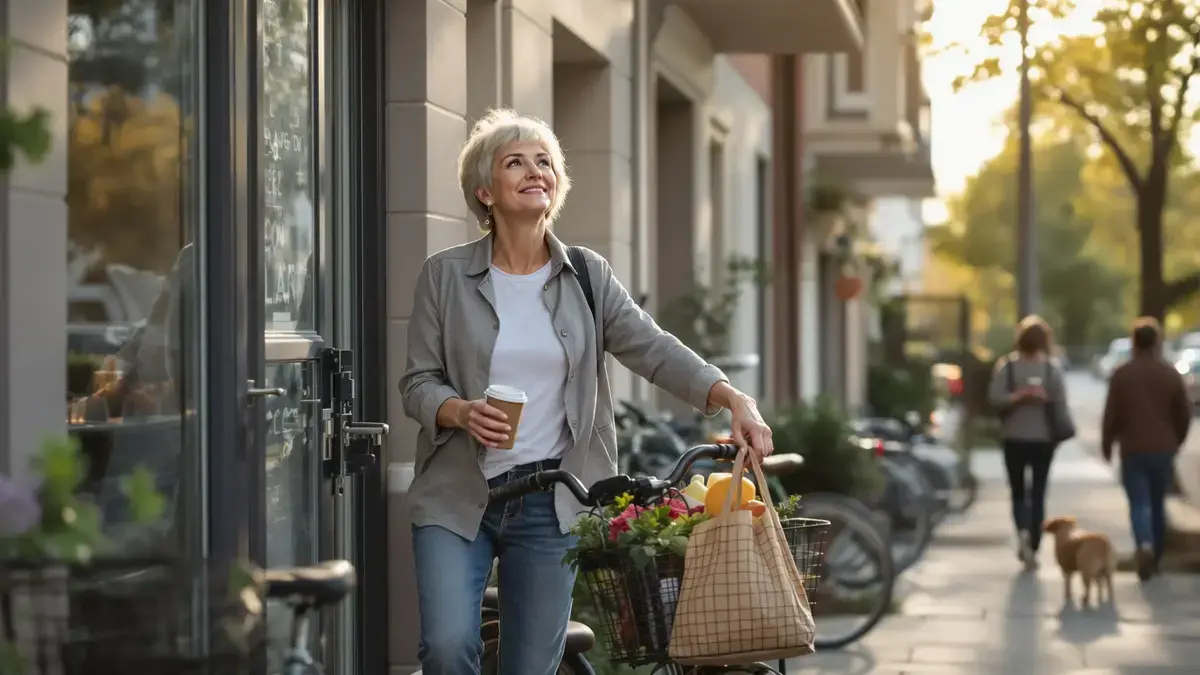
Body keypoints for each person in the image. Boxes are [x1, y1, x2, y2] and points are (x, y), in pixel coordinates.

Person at [398, 108, 774, 675]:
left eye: (545, 162)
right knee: (449, 647)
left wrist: (734, 399)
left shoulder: (586, 275)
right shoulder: (444, 276)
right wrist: (458, 411)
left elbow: (654, 348)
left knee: (532, 665)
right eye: (515, 162)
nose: (535, 171)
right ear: (484, 191)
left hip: (553, 501)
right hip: (458, 495)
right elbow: (416, 384)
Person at [1102, 317, 1192, 580]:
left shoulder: (1122, 374)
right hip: (1163, 448)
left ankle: (1144, 543)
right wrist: (1176, 441)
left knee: (1139, 502)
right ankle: (1157, 556)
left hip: (1133, 448)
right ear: (1157, 342)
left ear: (1133, 343)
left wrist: (1108, 443)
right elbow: (1183, 414)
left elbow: (1112, 414)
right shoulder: (1170, 373)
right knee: (1157, 502)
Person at [989, 315, 1071, 570]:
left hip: (1013, 437)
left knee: (1017, 491)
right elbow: (1061, 400)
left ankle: (1023, 530)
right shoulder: (1051, 368)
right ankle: (1033, 543)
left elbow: (994, 397)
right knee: (1038, 492)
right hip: (1043, 439)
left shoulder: (1007, 366)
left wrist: (1015, 397)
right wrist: (1040, 396)